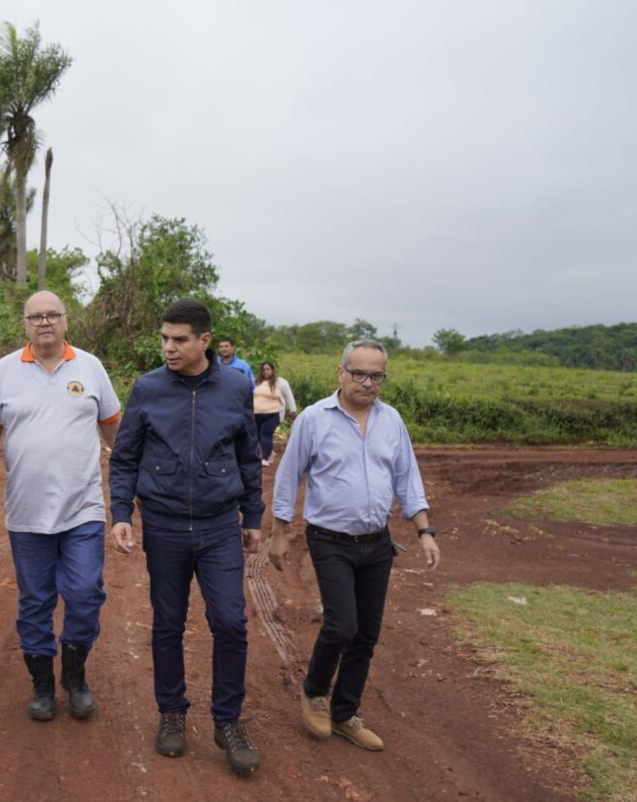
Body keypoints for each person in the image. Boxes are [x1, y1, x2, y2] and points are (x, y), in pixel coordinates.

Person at [109, 299, 264, 778]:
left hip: (219, 525)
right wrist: (121, 513)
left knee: (230, 622)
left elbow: (247, 454)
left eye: (179, 339)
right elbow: (125, 456)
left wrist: (252, 515)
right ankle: (172, 712)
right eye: (164, 339)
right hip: (165, 524)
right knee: (168, 624)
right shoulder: (148, 388)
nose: (168, 348)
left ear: (205, 342)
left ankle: (228, 722)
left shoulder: (236, 387)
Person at [266, 338, 440, 752]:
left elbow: (407, 478)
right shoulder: (313, 419)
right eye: (358, 373)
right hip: (330, 540)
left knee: (366, 634)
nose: (367, 382)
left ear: (383, 378)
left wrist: (425, 531)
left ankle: (344, 713)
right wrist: (279, 532)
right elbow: (289, 476)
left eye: (375, 375)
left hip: (376, 544)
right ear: (341, 373)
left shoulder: (391, 420)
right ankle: (314, 691)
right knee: (342, 624)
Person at [0, 290, 122, 721]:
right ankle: (42, 684)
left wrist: (133, 489)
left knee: (84, 593)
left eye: (52, 315)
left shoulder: (90, 367)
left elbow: (115, 430)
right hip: (26, 513)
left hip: (84, 509)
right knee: (35, 600)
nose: (44, 323)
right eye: (35, 316)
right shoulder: (4, 371)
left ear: (65, 320)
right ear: (24, 323)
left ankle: (74, 676)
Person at [253, 361, 297, 467]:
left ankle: (264, 458)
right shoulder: (257, 381)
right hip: (257, 414)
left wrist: (293, 410)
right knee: (258, 436)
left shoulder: (280, 382)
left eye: (268, 369)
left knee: (265, 434)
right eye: (263, 370)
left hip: (273, 414)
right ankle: (270, 452)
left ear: (273, 370)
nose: (265, 372)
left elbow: (289, 396)